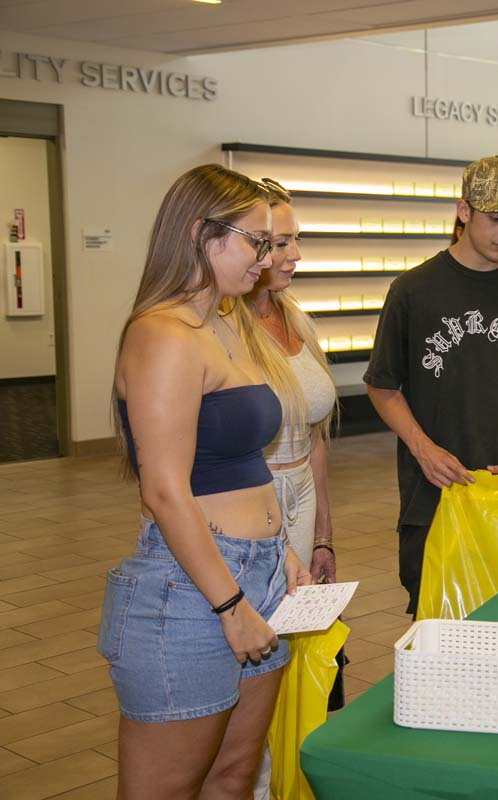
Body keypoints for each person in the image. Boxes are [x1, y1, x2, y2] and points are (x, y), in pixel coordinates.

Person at [99, 164, 310, 798]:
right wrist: (230, 606)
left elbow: (245, 459)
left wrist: (284, 552)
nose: (268, 258)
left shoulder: (220, 324)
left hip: (259, 573)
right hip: (193, 590)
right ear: (201, 234)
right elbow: (164, 490)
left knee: (235, 777)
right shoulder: (161, 334)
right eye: (256, 241)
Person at [364, 156, 498, 617]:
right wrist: (423, 449)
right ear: (463, 211)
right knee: (435, 635)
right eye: (496, 219)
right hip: (432, 495)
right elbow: (382, 386)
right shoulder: (412, 291)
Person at [229, 178, 338, 575]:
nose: (296, 254)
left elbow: (314, 440)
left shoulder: (296, 319)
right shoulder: (223, 330)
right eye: (279, 244)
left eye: (295, 240)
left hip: (302, 498)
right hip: (248, 506)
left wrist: (323, 538)